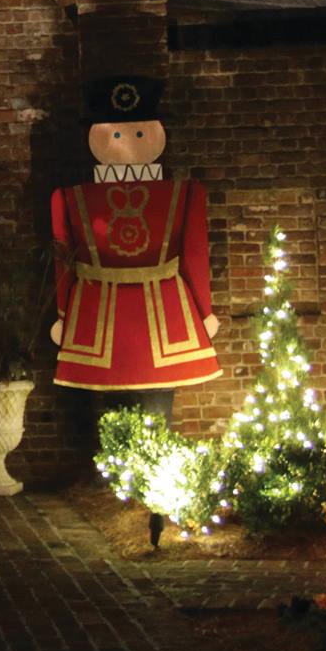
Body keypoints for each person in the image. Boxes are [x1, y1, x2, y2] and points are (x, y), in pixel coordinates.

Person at [50, 75, 220, 541]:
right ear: (98, 138)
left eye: (137, 134)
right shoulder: (69, 198)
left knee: (154, 401)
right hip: (112, 308)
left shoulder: (185, 193)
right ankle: (125, 482)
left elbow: (194, 253)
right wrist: (63, 315)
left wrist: (203, 308)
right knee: (110, 400)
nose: (126, 144)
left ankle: (153, 484)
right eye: (117, 135)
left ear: (157, 135)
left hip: (149, 307)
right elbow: (63, 258)